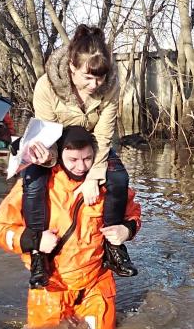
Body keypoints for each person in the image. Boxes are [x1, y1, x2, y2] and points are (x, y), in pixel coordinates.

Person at [0, 126, 141, 329]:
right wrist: (34, 240)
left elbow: (133, 213)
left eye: (88, 159)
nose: (81, 167)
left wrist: (127, 229)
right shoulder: (34, 187)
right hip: (52, 285)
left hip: (96, 283)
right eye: (73, 160)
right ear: (59, 155)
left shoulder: (107, 184)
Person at [22, 24, 137, 289]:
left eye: (100, 78)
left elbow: (104, 134)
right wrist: (46, 159)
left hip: (94, 142)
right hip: (57, 140)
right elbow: (46, 133)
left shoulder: (109, 86)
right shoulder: (46, 86)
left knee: (119, 178)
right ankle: (39, 253)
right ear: (72, 67)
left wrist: (93, 177)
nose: (95, 85)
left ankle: (113, 246)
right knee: (32, 181)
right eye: (88, 78)